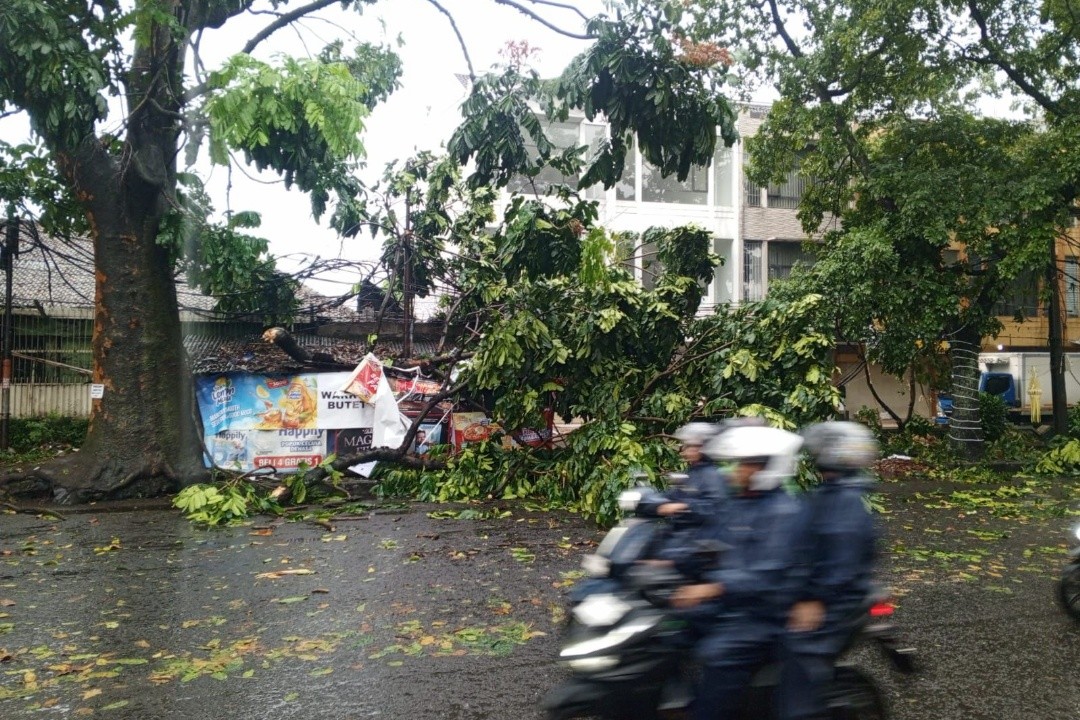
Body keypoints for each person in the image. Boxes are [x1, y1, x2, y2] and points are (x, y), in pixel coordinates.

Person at [670, 425, 805, 720]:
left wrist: (711, 588)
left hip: (765, 613)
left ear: (766, 469)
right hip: (735, 602)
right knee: (673, 629)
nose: (736, 470)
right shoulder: (743, 502)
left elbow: (766, 573)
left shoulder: (783, 512)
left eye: (745, 464)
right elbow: (711, 541)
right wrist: (667, 561)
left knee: (721, 654)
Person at [778, 421, 881, 720]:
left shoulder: (845, 501)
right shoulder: (828, 493)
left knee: (799, 659)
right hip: (818, 593)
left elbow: (840, 566)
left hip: (833, 605)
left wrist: (812, 598)